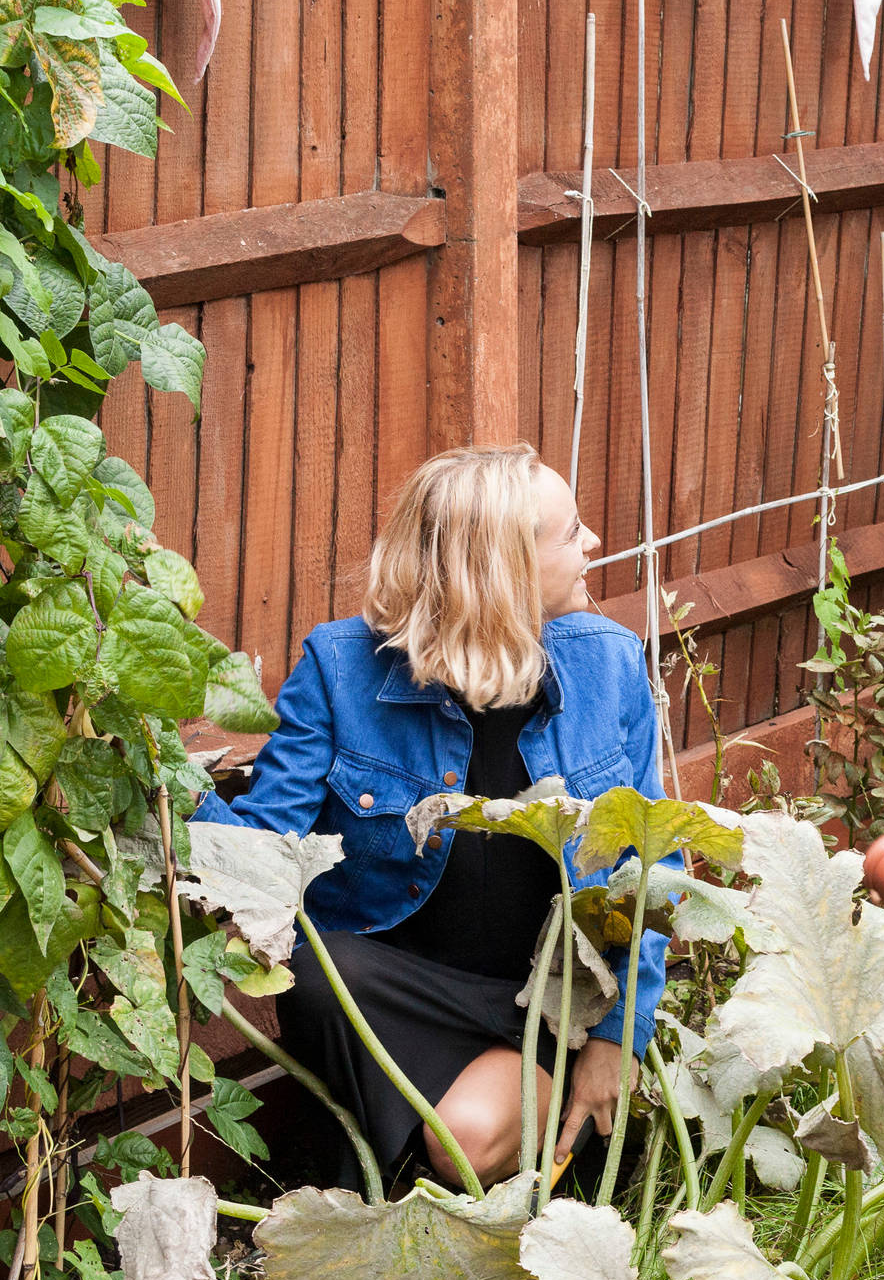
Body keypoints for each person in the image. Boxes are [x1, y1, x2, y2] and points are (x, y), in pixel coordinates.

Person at [200, 446, 667, 1192]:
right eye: (571, 531)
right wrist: (157, 769)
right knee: (317, 969)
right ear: (502, 569)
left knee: (465, 1144)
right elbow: (263, 847)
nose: (594, 545)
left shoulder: (610, 665)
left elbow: (654, 875)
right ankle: (397, 1182)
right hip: (395, 998)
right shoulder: (341, 668)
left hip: (550, 1005)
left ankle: (385, 1177)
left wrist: (619, 1039)